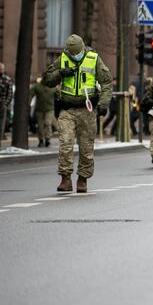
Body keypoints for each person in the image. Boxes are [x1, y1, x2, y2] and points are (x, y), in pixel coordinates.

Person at [42, 34, 112, 193]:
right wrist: (61, 73)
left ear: (82, 48)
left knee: (86, 147)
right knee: (65, 143)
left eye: (77, 52)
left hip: (87, 109)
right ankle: (65, 179)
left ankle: (83, 179)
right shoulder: (62, 59)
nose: (74, 55)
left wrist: (103, 103)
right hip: (67, 109)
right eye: (72, 53)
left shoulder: (94, 59)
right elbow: (47, 79)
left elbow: (106, 82)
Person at [29, 77, 56, 147]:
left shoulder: (52, 86)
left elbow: (59, 95)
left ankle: (47, 139)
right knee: (40, 126)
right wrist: (28, 102)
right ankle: (41, 140)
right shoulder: (37, 86)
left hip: (49, 109)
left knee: (48, 123)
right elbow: (30, 94)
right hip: (39, 110)